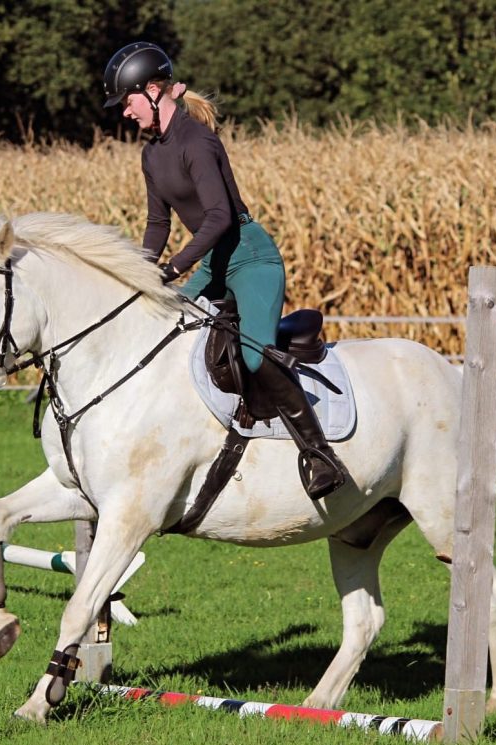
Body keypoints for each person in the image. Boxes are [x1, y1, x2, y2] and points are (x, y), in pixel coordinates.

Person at [103, 41, 344, 501]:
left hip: (249, 256)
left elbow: (219, 218)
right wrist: (139, 273)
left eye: (127, 102)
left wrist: (175, 266)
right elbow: (158, 224)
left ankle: (320, 456)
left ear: (152, 91)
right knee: (166, 334)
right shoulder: (152, 154)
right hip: (214, 260)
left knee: (254, 357)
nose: (125, 113)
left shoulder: (197, 141)